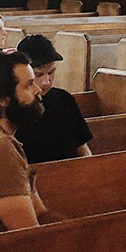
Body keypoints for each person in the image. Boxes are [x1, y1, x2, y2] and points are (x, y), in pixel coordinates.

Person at [0, 50, 55, 231]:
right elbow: (28, 235)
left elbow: (40, 213)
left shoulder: (7, 140)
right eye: (29, 85)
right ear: (4, 99)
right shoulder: (0, 149)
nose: (38, 90)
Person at [14, 34, 93, 163]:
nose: (46, 82)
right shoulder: (13, 106)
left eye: (51, 72)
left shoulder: (63, 99)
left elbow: (83, 150)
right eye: (38, 74)